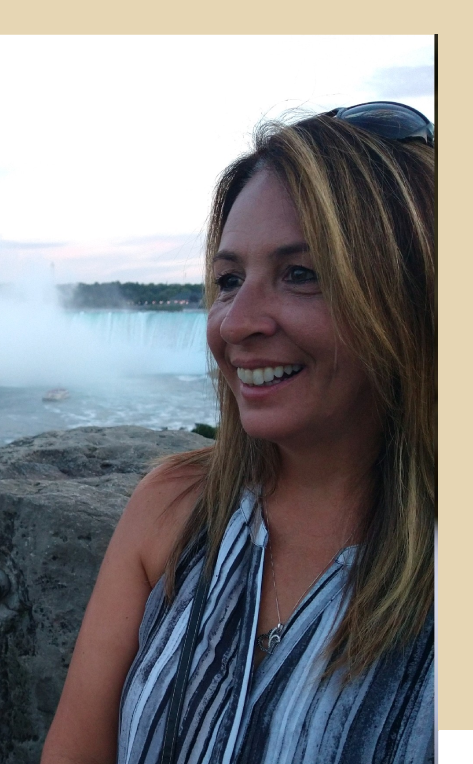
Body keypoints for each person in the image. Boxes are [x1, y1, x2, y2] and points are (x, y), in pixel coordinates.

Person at [41, 102, 435, 764]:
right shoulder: (173, 507)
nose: (235, 321)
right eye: (228, 280)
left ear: (411, 296)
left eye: (301, 274)